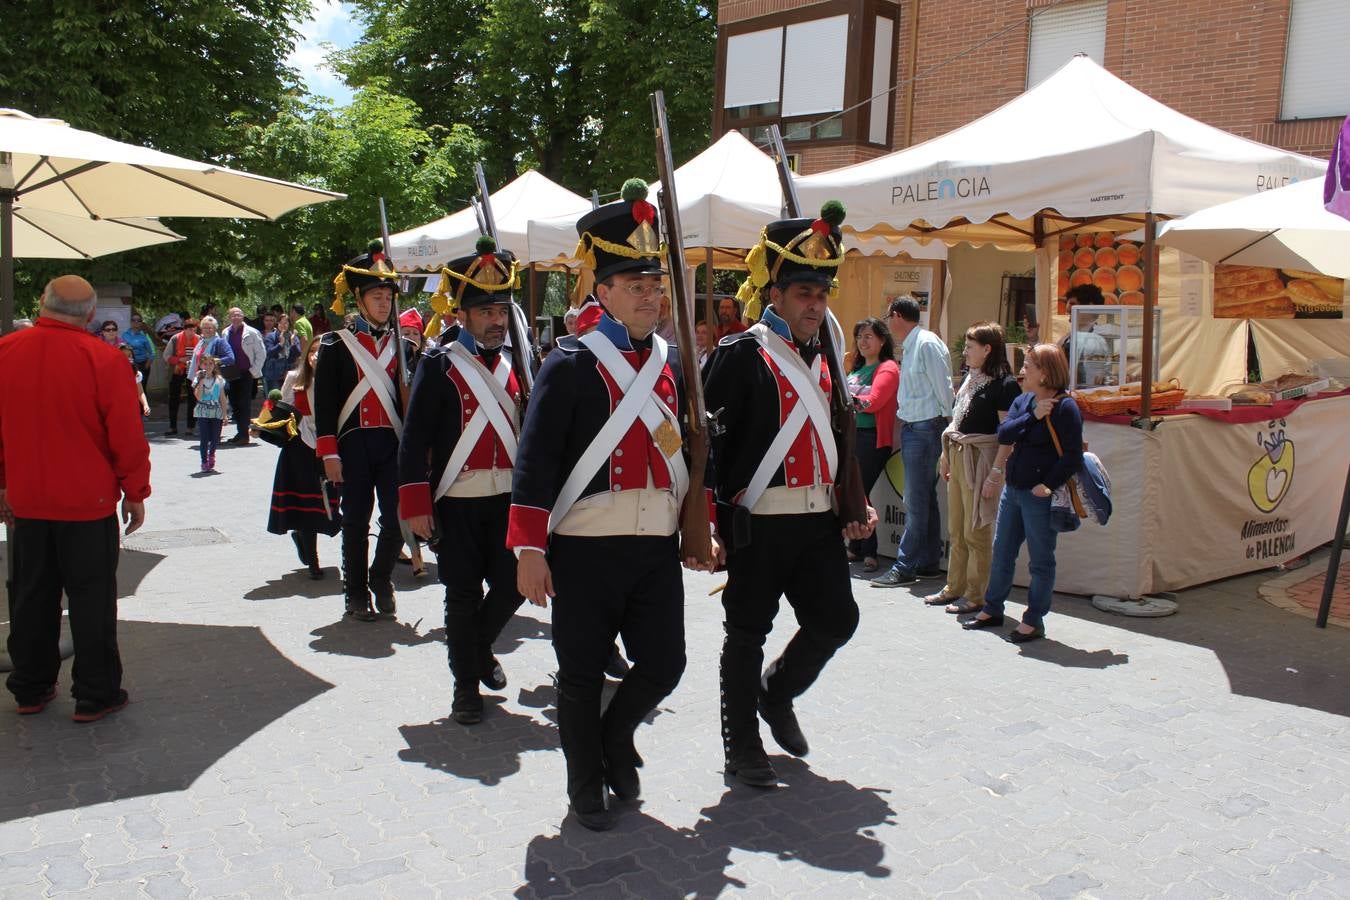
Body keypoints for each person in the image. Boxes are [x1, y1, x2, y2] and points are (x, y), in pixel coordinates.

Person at [510, 180, 711, 831]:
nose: (652, 297)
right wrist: (529, 549)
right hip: (585, 549)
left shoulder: (673, 362)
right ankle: (585, 784)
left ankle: (616, 735)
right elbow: (535, 459)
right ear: (603, 292)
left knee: (665, 663)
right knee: (580, 673)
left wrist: (699, 528)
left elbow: (686, 451)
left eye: (656, 286)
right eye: (636, 286)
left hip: (652, 546)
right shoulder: (569, 363)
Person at [703, 200, 878, 790]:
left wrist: (853, 504)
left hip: (817, 520)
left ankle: (776, 693)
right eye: (802, 292)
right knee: (747, 632)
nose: (814, 304)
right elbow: (708, 450)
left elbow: (838, 438)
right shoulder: (739, 354)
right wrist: (706, 523)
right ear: (773, 293)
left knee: (836, 619)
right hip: (759, 522)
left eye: (821, 294)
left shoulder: (825, 355)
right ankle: (741, 745)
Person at [0, 275, 150, 723]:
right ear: (89, 315)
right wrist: (136, 491)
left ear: (42, 303)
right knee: (92, 600)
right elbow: (126, 435)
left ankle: (30, 685)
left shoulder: (5, 353)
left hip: (26, 500)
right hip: (88, 502)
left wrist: (4, 484)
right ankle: (95, 692)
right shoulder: (103, 360)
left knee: (29, 595)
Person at [399, 235, 526, 725]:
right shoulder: (439, 365)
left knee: (515, 586)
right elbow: (414, 441)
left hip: (508, 498)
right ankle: (465, 688)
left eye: (501, 311)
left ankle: (474, 652)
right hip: (456, 497)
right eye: (486, 312)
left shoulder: (520, 362)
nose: (496, 321)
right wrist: (415, 503)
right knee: (463, 595)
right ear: (463, 315)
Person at [314, 240, 416, 623]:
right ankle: (355, 592)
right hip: (352, 443)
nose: (384, 302)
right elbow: (324, 405)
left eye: (388, 295)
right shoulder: (336, 346)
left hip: (391, 443)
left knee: (397, 516)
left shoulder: (403, 348)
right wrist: (329, 454)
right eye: (376, 295)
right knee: (355, 519)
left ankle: (381, 578)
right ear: (358, 299)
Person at [963, 344, 1083, 643]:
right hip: (1013, 491)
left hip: (1037, 495)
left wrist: (1048, 485)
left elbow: (1072, 456)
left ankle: (1033, 619)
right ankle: (993, 609)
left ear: (1045, 372)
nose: (1023, 370)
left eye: (1029, 365)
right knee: (1002, 552)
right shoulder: (1025, 401)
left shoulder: (1065, 407)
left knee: (1041, 560)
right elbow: (1004, 434)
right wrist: (1033, 415)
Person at [924, 323, 1021, 615]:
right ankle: (954, 586)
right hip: (958, 453)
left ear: (987, 349)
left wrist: (995, 472)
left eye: (970, 346)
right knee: (956, 527)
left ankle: (977, 594)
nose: (964, 352)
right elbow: (956, 420)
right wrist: (945, 456)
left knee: (976, 530)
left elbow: (1007, 433)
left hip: (981, 459)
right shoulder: (970, 379)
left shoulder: (1005, 385)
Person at [871, 295, 954, 588]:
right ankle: (928, 562)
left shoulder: (926, 343)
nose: (888, 325)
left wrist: (948, 424)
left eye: (888, 318)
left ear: (896, 315)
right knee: (924, 500)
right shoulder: (917, 343)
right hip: (920, 427)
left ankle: (905, 567)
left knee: (916, 501)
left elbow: (944, 388)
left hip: (925, 428)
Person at [267, 335, 339, 579]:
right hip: (299, 448)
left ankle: (303, 538)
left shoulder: (339, 379)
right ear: (307, 354)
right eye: (313, 351)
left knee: (327, 506)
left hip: (328, 447)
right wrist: (264, 423)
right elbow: (280, 408)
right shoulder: (294, 379)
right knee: (307, 506)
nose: (317, 356)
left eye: (322, 351)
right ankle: (313, 560)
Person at [846, 317, 899, 572]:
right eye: (859, 336)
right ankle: (856, 547)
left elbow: (874, 401)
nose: (862, 341)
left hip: (872, 439)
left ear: (881, 340)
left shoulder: (887, 368)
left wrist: (848, 399)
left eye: (868, 336)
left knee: (860, 489)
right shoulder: (855, 370)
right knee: (855, 489)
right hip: (851, 437)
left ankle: (869, 550)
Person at [395, 307, 427, 579]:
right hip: (397, 437)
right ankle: (415, 555)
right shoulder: (391, 365)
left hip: (424, 442)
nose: (410, 338)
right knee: (401, 502)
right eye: (404, 333)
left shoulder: (429, 364)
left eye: (414, 333)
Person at [224, 307, 265, 445]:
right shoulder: (225, 332)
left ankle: (244, 435)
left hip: (246, 372)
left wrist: (253, 371)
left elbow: (261, 353)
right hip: (231, 372)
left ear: (243, 316)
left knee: (244, 404)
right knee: (234, 403)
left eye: (238, 315)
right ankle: (240, 432)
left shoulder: (252, 333)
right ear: (229, 317)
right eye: (233, 315)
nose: (236, 317)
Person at [162, 317, 200, 436]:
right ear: (184, 329)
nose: (191, 333)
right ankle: (172, 427)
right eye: (189, 330)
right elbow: (166, 356)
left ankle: (190, 427)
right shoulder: (175, 339)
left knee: (193, 399)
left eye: (194, 330)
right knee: (174, 398)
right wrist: (180, 359)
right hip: (177, 371)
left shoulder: (199, 340)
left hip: (192, 372)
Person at [193, 354, 228, 473]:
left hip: (216, 410)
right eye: (205, 364)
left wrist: (225, 414)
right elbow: (198, 396)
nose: (208, 366)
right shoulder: (198, 378)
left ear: (214, 365)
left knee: (215, 437)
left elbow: (222, 397)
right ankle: (204, 461)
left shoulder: (219, 379)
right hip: (203, 410)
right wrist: (201, 382)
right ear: (201, 365)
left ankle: (211, 454)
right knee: (204, 437)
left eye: (210, 364)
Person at [263, 312, 300, 395]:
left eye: (286, 323)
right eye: (281, 323)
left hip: (289, 371)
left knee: (288, 399)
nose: (283, 325)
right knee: (274, 398)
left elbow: (298, 353)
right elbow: (269, 353)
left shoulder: (293, 336)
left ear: (289, 324)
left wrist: (293, 343)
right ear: (278, 323)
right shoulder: (270, 336)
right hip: (274, 372)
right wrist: (280, 344)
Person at [121, 314, 155, 384]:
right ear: (130, 322)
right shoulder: (124, 335)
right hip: (129, 365)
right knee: (130, 386)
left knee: (142, 388)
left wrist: (146, 365)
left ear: (141, 323)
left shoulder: (145, 335)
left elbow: (152, 352)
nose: (136, 322)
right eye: (134, 320)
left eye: (138, 320)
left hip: (142, 365)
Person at [119, 345, 152, 417]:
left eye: (129, 355)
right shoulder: (111, 374)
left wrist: (145, 405)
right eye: (123, 355)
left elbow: (140, 393)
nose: (127, 358)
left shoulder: (136, 374)